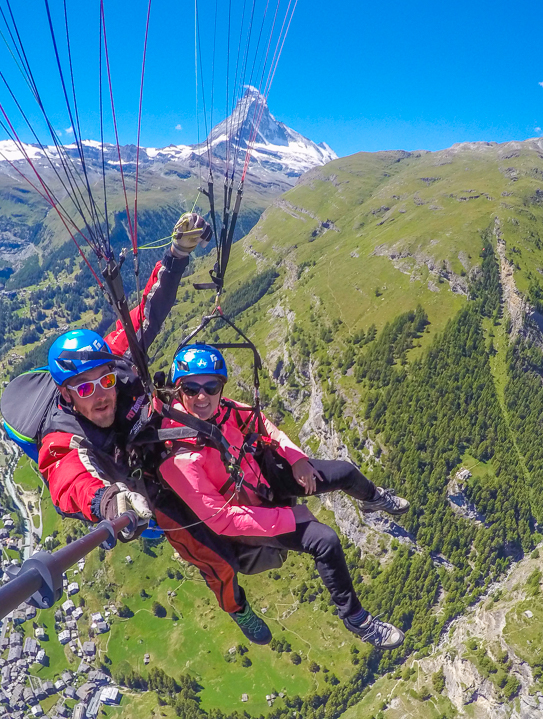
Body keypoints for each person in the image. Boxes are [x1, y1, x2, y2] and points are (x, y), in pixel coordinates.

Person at [156, 343, 410, 650]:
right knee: (325, 541)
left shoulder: (225, 411)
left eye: (210, 386)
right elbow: (221, 520)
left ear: (221, 388)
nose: (201, 396)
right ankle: (357, 620)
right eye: (191, 387)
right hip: (248, 520)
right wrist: (289, 516)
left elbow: (262, 424)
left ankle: (373, 499)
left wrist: (296, 458)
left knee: (343, 471)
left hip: (263, 481)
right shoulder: (180, 455)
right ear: (178, 389)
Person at [4, 213, 211, 533]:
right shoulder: (62, 433)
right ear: (66, 395)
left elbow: (149, 314)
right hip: (128, 483)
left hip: (145, 445)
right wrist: (108, 500)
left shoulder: (114, 359)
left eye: (106, 380)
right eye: (85, 389)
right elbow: (66, 477)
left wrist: (177, 256)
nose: (100, 393)